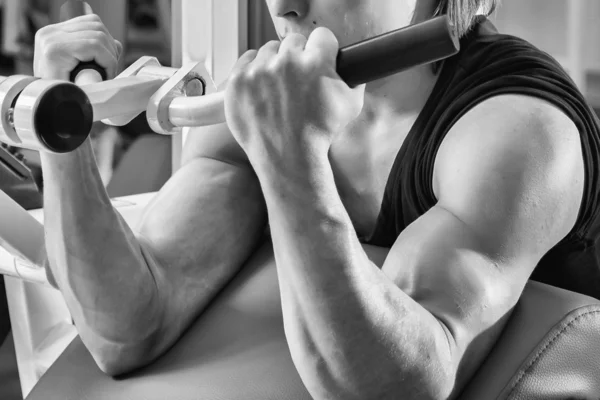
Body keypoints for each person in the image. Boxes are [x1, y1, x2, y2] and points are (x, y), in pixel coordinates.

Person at [32, 0, 600, 398]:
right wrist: (59, 126)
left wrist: (291, 159)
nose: (283, 7)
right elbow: (129, 331)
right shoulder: (273, 96)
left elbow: (399, 388)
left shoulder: (521, 130)